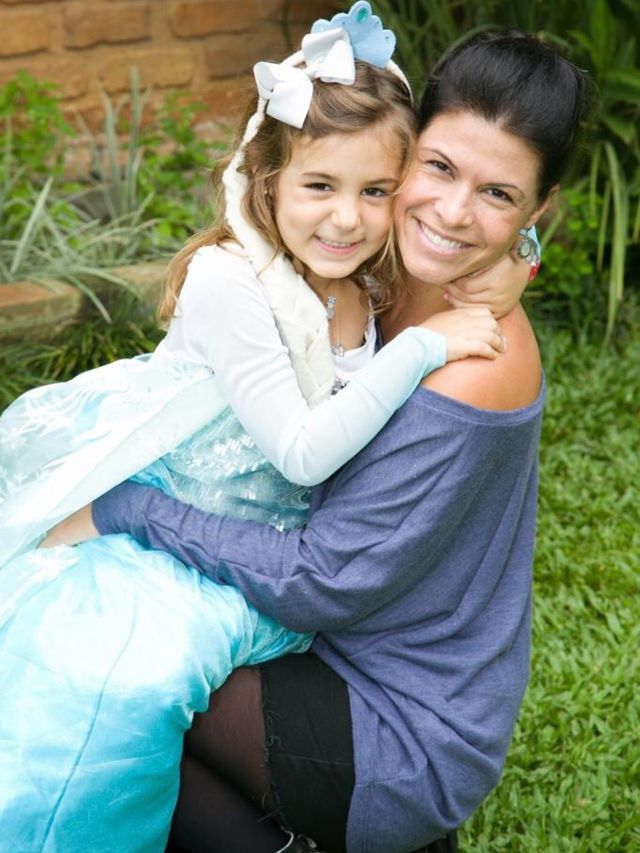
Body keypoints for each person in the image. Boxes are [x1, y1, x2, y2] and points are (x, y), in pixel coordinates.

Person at [0, 4, 531, 852]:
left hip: (259, 568)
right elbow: (304, 451)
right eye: (320, 186)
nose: (348, 217)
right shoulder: (231, 283)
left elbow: (461, 228)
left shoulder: (361, 283)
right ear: (267, 182)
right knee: (110, 689)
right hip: (170, 534)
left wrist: (517, 259)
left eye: (375, 191)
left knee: (160, 702)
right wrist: (424, 346)